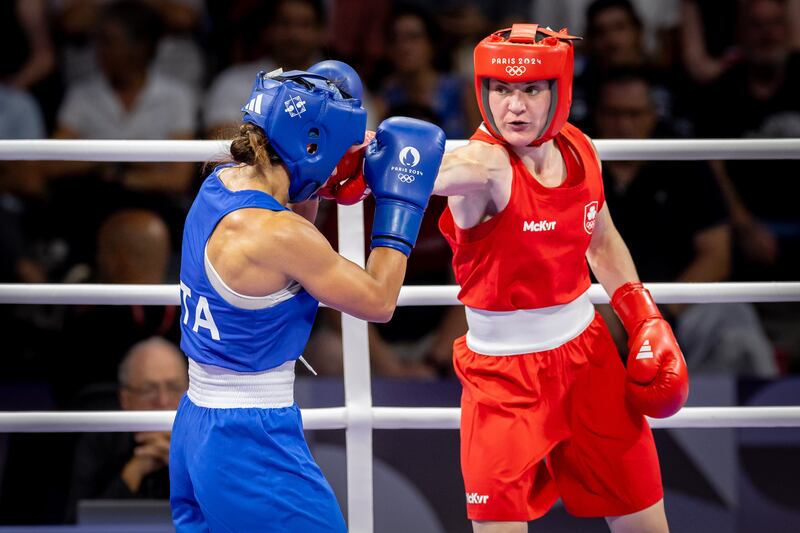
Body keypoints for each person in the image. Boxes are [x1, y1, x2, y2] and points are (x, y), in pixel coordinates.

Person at [169, 60, 446, 531]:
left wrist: (321, 177)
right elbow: (379, 300)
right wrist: (399, 204)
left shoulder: (221, 183)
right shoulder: (277, 234)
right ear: (312, 145)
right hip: (249, 439)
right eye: (340, 150)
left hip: (199, 423)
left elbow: (293, 226)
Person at [432, 25, 688, 531]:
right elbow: (436, 172)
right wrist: (373, 162)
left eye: (530, 90)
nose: (515, 106)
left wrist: (642, 317)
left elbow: (602, 238)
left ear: (560, 91)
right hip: (502, 379)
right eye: (501, 90)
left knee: (647, 524)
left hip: (587, 358)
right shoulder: (485, 166)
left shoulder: (580, 149)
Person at [67, 338, 188, 521]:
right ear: (126, 399)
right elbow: (75, 524)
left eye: (173, 388)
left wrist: (182, 467)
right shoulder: (99, 439)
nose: (163, 401)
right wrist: (134, 472)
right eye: (149, 390)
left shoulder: (210, 437)